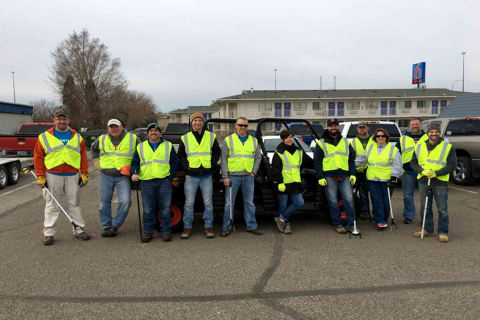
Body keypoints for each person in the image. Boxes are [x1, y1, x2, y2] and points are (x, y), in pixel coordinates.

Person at [33, 107, 90, 245]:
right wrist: (40, 175)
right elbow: (38, 157)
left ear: (68, 120)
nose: (61, 121)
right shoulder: (44, 137)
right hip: (53, 175)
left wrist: (84, 173)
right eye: (59, 118)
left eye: (64, 118)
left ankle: (79, 229)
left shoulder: (77, 137)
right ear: (54, 119)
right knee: (52, 204)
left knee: (74, 203)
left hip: (72, 175)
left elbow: (83, 156)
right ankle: (49, 233)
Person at [91, 119, 139, 237]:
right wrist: (97, 163)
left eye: (116, 126)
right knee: (104, 203)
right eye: (111, 127)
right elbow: (93, 149)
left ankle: (115, 224)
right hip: (105, 175)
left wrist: (133, 169)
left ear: (122, 127)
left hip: (123, 176)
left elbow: (140, 154)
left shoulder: (133, 138)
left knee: (125, 201)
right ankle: (107, 226)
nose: (114, 129)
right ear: (108, 128)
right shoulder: (101, 139)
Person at [131, 123, 178, 242]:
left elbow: (174, 162)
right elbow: (135, 162)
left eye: (156, 130)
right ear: (147, 134)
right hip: (147, 182)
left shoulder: (168, 146)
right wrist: (135, 173)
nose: (153, 132)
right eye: (151, 130)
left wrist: (170, 177)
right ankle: (148, 232)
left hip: (164, 181)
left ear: (160, 133)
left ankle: (166, 231)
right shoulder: (141, 147)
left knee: (165, 208)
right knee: (148, 209)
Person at [178, 113, 221, 239]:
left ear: (203, 123)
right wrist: (187, 167)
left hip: (206, 175)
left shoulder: (211, 136)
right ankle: (187, 227)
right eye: (195, 121)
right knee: (189, 203)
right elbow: (181, 155)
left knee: (208, 203)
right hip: (191, 175)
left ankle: (208, 226)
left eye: (200, 121)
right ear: (192, 123)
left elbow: (217, 151)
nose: (197, 123)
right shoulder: (185, 137)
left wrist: (212, 164)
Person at [411, 123, 456, 242]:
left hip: (440, 181)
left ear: (439, 133)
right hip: (424, 180)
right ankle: (427, 229)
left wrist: (437, 173)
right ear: (427, 133)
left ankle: (443, 232)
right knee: (425, 207)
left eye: (436, 131)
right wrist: (422, 171)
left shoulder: (447, 147)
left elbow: (452, 165)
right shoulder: (420, 146)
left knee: (442, 208)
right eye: (431, 131)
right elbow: (413, 163)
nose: (434, 133)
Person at [221, 117, 262, 237]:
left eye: (245, 125)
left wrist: (254, 172)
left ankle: (251, 226)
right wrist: (225, 177)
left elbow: (258, 157)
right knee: (229, 203)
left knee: (249, 202)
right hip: (233, 177)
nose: (243, 127)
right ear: (236, 126)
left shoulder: (254, 141)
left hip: (248, 176)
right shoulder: (228, 140)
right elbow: (223, 159)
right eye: (240, 125)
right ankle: (226, 227)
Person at [314, 118, 357, 234]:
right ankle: (337, 224)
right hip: (329, 177)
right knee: (332, 201)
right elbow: (317, 162)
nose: (333, 128)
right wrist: (320, 177)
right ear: (327, 127)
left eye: (335, 125)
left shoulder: (345, 142)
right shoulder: (321, 143)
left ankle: (351, 224)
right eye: (331, 126)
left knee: (348, 200)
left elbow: (351, 159)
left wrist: (353, 174)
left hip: (345, 176)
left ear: (338, 127)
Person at [355, 128, 402, 230]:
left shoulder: (393, 149)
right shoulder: (370, 148)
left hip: (387, 179)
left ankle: (384, 218)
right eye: (378, 136)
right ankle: (380, 221)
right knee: (376, 200)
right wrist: (349, 165)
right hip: (373, 179)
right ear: (375, 138)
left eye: (382, 136)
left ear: (386, 137)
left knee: (386, 201)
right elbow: (361, 160)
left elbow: (398, 164)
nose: (380, 138)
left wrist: (394, 177)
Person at [271, 130, 313, 234]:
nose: (289, 139)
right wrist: (279, 182)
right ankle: (286, 224)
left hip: (295, 183)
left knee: (299, 202)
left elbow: (309, 162)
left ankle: (281, 219)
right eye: (287, 138)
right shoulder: (279, 153)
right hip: (284, 184)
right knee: (283, 205)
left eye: (291, 137)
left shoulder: (299, 151)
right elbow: (275, 169)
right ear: (283, 139)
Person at [399, 118, 421, 224]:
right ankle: (409, 216)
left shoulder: (427, 137)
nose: (415, 126)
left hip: (423, 171)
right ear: (410, 125)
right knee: (407, 195)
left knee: (425, 195)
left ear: (420, 125)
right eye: (413, 124)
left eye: (417, 124)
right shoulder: (403, 138)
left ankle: (425, 217)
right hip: (407, 171)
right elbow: (397, 154)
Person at [350, 121, 373, 219]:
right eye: (360, 128)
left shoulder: (374, 139)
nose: (362, 129)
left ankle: (377, 213)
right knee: (362, 193)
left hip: (372, 170)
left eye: (363, 127)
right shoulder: (353, 142)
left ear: (367, 128)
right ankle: (365, 213)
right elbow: (351, 157)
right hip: (359, 171)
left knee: (374, 194)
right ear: (357, 129)